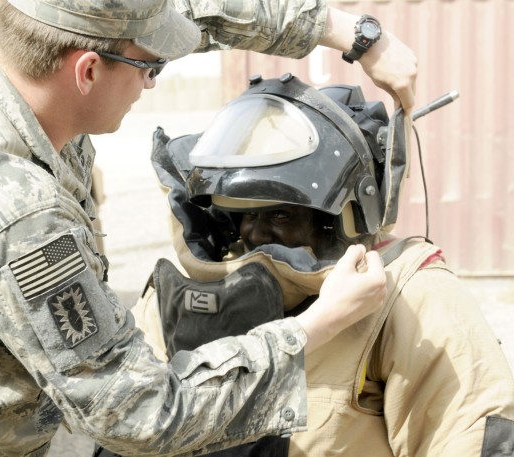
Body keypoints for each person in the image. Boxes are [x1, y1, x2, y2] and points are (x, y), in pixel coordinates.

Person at [0, 0, 418, 455]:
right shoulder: (22, 226)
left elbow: (186, 14)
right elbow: (140, 413)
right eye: (150, 69)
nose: (153, 83)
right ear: (86, 71)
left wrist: (356, 35)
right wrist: (315, 325)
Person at [114, 76, 514, 456]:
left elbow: (466, 432)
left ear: (335, 218)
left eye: (281, 216)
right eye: (244, 215)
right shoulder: (185, 293)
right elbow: (123, 418)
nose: (256, 233)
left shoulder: (406, 294)